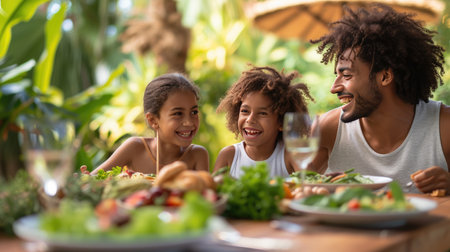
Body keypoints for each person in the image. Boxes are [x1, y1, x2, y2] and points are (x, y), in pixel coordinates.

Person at [309, 4, 450, 194]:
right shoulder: (328, 129)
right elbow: (299, 190)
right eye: (337, 75)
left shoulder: (444, 127)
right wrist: (316, 189)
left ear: (384, 77)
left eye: (347, 75)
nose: (334, 88)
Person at [83, 73, 209, 175]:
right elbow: (95, 179)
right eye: (178, 113)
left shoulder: (197, 155)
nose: (189, 122)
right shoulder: (135, 148)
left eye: (194, 112)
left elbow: (206, 198)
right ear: (153, 120)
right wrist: (86, 180)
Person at [214, 66, 313, 178]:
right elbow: (211, 193)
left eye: (262, 113)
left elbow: (313, 187)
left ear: (281, 122)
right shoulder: (229, 156)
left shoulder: (290, 155)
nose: (250, 119)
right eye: (245, 111)